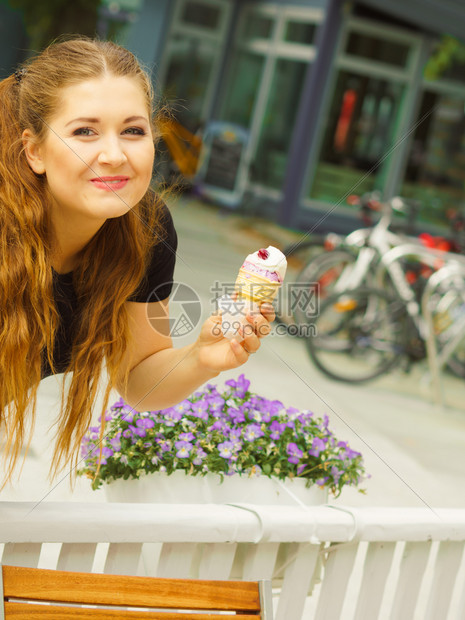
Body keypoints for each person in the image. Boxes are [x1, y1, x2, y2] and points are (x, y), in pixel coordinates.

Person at [0, 36, 274, 487]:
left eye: (133, 130)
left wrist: (202, 356)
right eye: (84, 132)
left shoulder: (144, 227)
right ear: (34, 151)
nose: (115, 155)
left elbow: (138, 377)